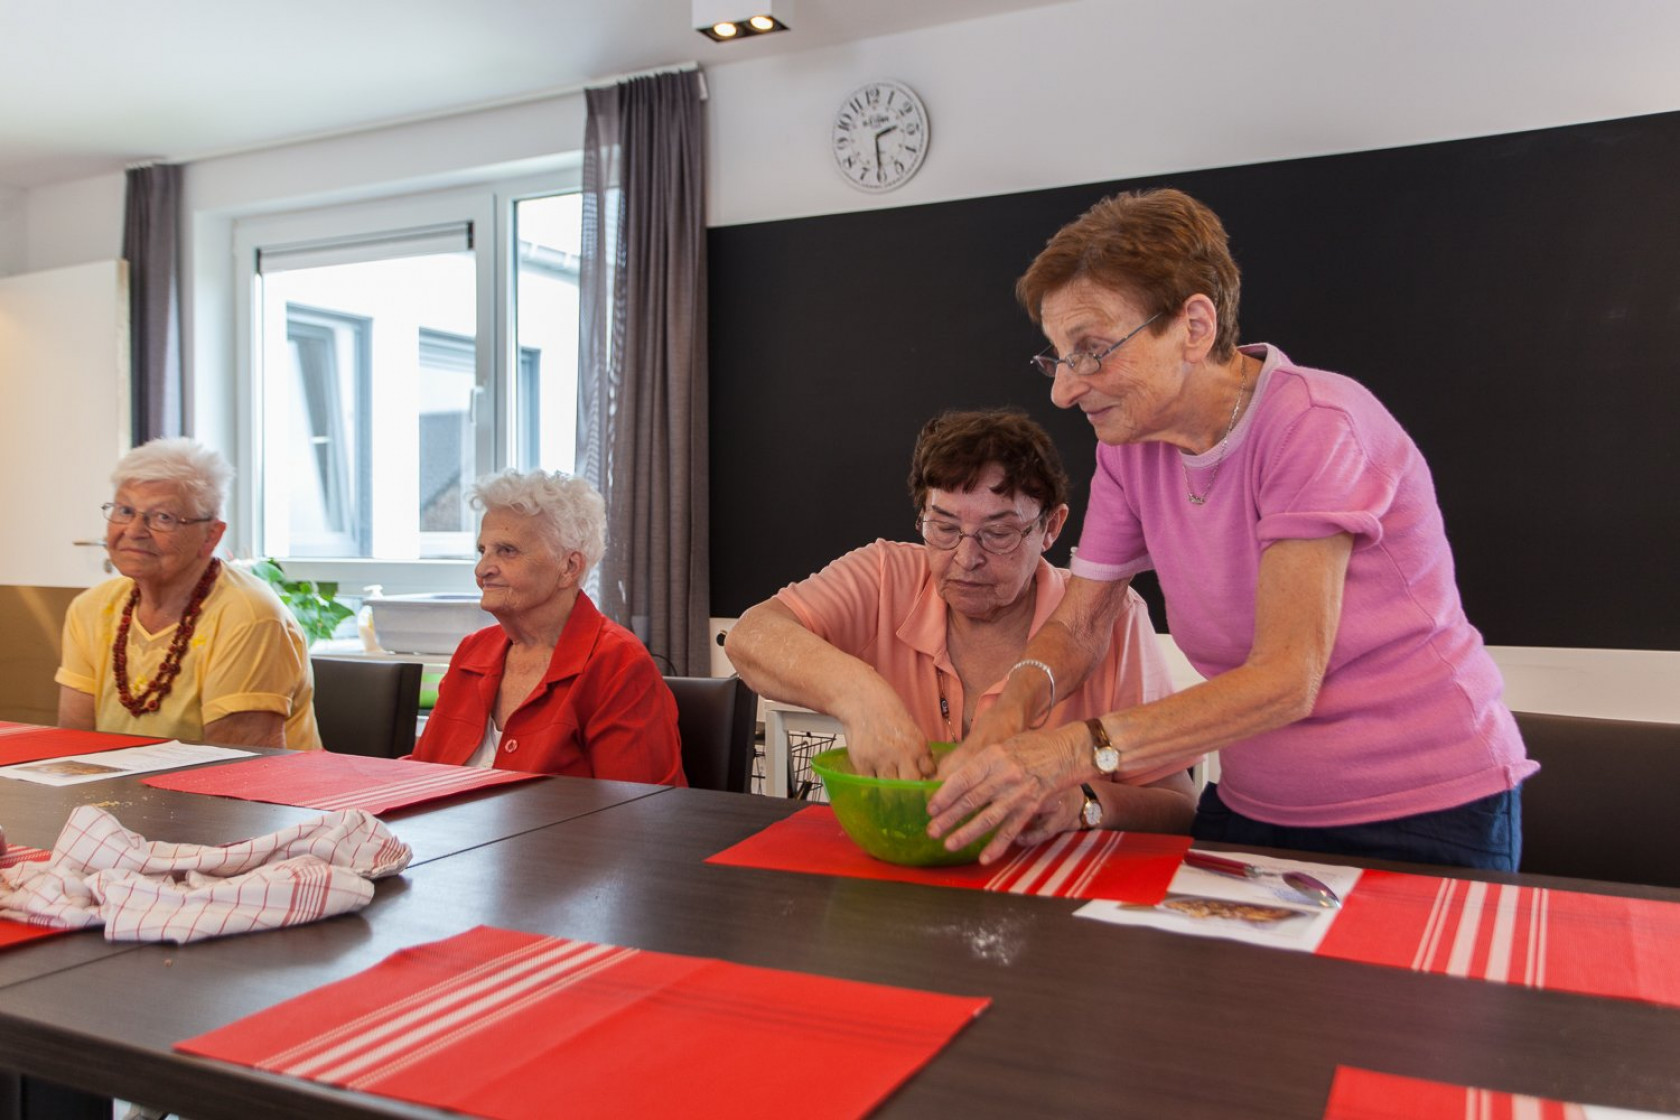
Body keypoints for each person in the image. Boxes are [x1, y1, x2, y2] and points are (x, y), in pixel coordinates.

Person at [928, 189, 1536, 870]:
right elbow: (1079, 626)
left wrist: (1074, 749)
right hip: (1254, 803)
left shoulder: (1312, 424)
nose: (1064, 391)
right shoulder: (1130, 446)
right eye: (1059, 357)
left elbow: (1286, 677)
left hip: (1419, 811)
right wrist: (1010, 713)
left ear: (1193, 325)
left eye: (1092, 350)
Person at [727, 409, 1194, 838]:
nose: (966, 558)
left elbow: (1177, 808)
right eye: (944, 528)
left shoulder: (1111, 616)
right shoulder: (886, 574)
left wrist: (1085, 802)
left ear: (1051, 527)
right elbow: (750, 637)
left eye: (999, 534)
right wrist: (859, 695)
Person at [412, 469, 685, 785]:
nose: (483, 568)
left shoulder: (619, 665)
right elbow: (421, 774)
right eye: (483, 550)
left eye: (507, 550)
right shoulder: (472, 652)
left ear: (569, 567)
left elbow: (638, 811)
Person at [56, 438, 321, 749]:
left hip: (251, 794)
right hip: (125, 793)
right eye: (125, 510)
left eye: (163, 517)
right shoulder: (92, 608)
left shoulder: (249, 617)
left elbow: (236, 768)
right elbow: (75, 744)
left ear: (211, 536)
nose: (134, 530)